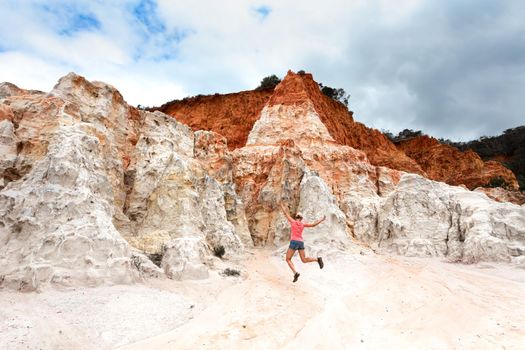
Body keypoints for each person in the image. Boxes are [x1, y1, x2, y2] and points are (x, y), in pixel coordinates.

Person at [279, 202, 326, 282]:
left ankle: (295, 273)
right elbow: (313, 225)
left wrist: (281, 205)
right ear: (301, 218)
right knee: (304, 259)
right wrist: (321, 219)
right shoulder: (303, 224)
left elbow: (285, 213)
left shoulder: (293, 222)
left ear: (296, 217)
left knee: (288, 259)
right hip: (301, 242)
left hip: (294, 242)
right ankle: (317, 260)